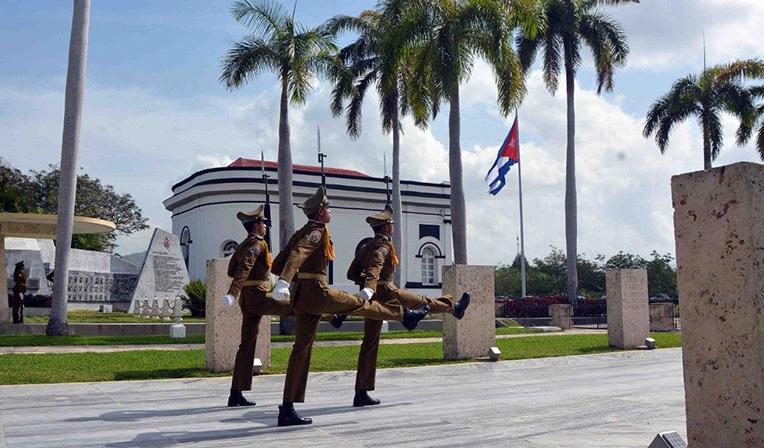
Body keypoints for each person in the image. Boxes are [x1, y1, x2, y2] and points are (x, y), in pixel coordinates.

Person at [271, 186, 430, 427]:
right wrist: (284, 280)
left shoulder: (302, 231)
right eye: (328, 207)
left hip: (302, 296)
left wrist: (287, 280)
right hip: (317, 292)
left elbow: (282, 259)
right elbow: (298, 255)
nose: (330, 211)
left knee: (300, 350)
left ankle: (287, 408)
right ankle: (405, 315)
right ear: (321, 211)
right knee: (360, 303)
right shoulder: (316, 231)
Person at [340, 206, 471, 407]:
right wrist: (371, 285)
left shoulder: (365, 247)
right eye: (390, 225)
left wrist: (366, 284)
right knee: (422, 302)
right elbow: (375, 267)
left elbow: (351, 273)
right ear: (384, 228)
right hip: (388, 292)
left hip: (374, 297)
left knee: (369, 343)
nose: (392, 227)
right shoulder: (383, 247)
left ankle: (361, 392)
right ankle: (452, 307)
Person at [221, 205, 293, 407]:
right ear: (256, 225)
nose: (265, 227)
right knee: (297, 306)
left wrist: (237, 291)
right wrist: (232, 292)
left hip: (248, 297)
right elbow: (244, 268)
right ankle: (331, 316)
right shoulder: (257, 245)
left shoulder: (243, 245)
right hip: (258, 297)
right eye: (263, 223)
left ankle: (235, 393)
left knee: (247, 345)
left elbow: (232, 269)